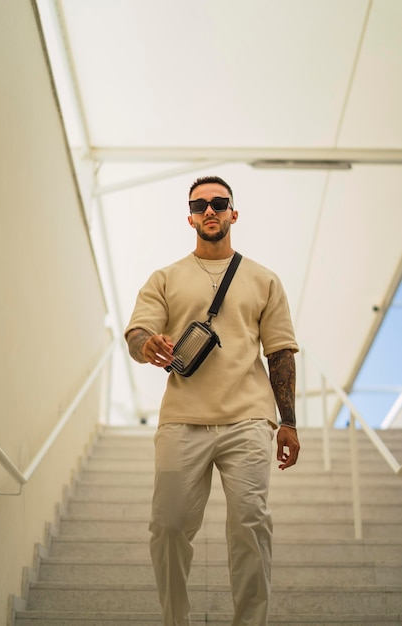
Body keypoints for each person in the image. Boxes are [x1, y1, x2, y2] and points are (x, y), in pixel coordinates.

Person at [125, 175, 300, 626]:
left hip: (248, 419)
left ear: (233, 214)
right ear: (189, 216)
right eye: (200, 204)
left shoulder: (264, 279)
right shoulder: (165, 278)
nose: (210, 210)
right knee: (167, 529)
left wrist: (290, 422)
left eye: (220, 203)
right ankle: (174, 621)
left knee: (250, 527)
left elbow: (279, 352)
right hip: (182, 420)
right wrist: (147, 345)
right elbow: (138, 332)